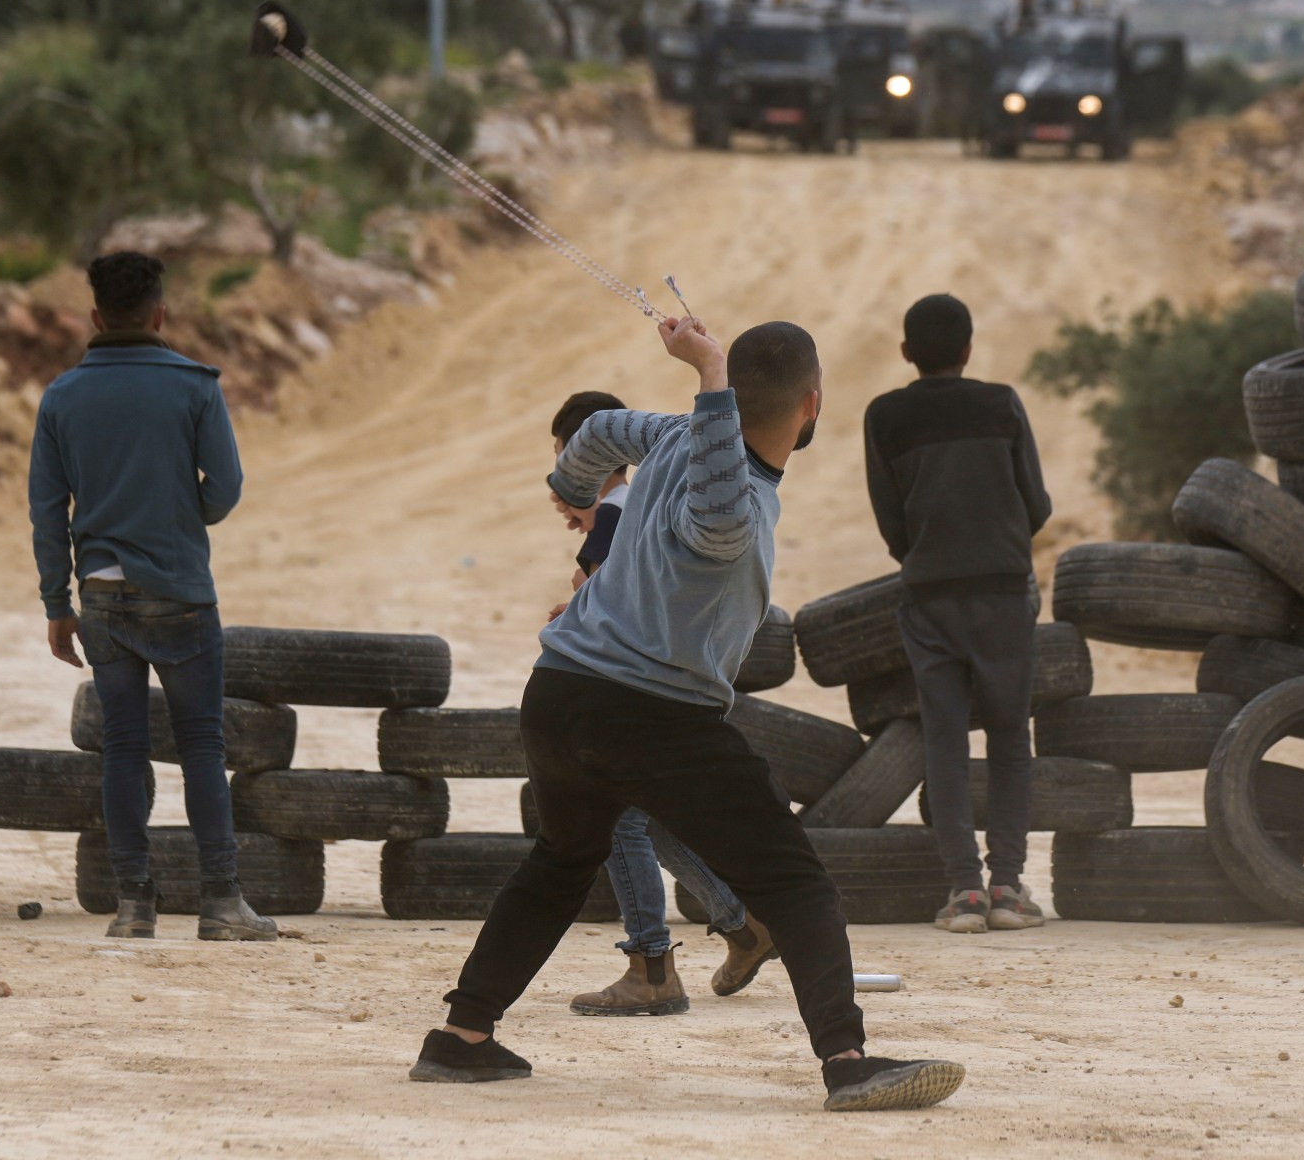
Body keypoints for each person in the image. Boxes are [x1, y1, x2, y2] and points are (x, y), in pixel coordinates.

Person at [410, 316, 965, 1113]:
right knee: (796, 883)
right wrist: (708, 371)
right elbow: (714, 517)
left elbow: (601, 429)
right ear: (812, 405)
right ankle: (848, 1061)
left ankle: (460, 1039)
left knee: (562, 862)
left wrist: (571, 488)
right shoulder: (730, 499)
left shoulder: (672, 437)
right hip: (650, 714)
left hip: (560, 691)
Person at [29, 251, 276, 943]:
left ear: (96, 317)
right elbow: (224, 489)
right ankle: (222, 905)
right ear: (159, 313)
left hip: (101, 593)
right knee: (201, 744)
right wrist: (179, 514)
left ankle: (134, 905)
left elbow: (47, 511)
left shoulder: (61, 397)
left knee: (124, 748)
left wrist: (57, 604)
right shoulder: (194, 386)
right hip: (179, 591)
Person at [543, 391, 778, 1017]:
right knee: (647, 820)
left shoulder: (620, 511)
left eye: (562, 456)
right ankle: (741, 924)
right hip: (659, 686)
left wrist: (579, 612)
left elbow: (621, 595)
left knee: (615, 823)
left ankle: (651, 964)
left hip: (625, 693)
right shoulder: (644, 501)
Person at [863, 294, 1052, 934]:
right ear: (969, 350)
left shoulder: (884, 415)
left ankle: (964, 892)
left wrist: (927, 552)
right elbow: (1038, 505)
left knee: (945, 743)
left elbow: (890, 518)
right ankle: (1008, 888)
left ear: (907, 353)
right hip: (1001, 592)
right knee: (1008, 738)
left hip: (929, 596)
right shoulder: (1001, 404)